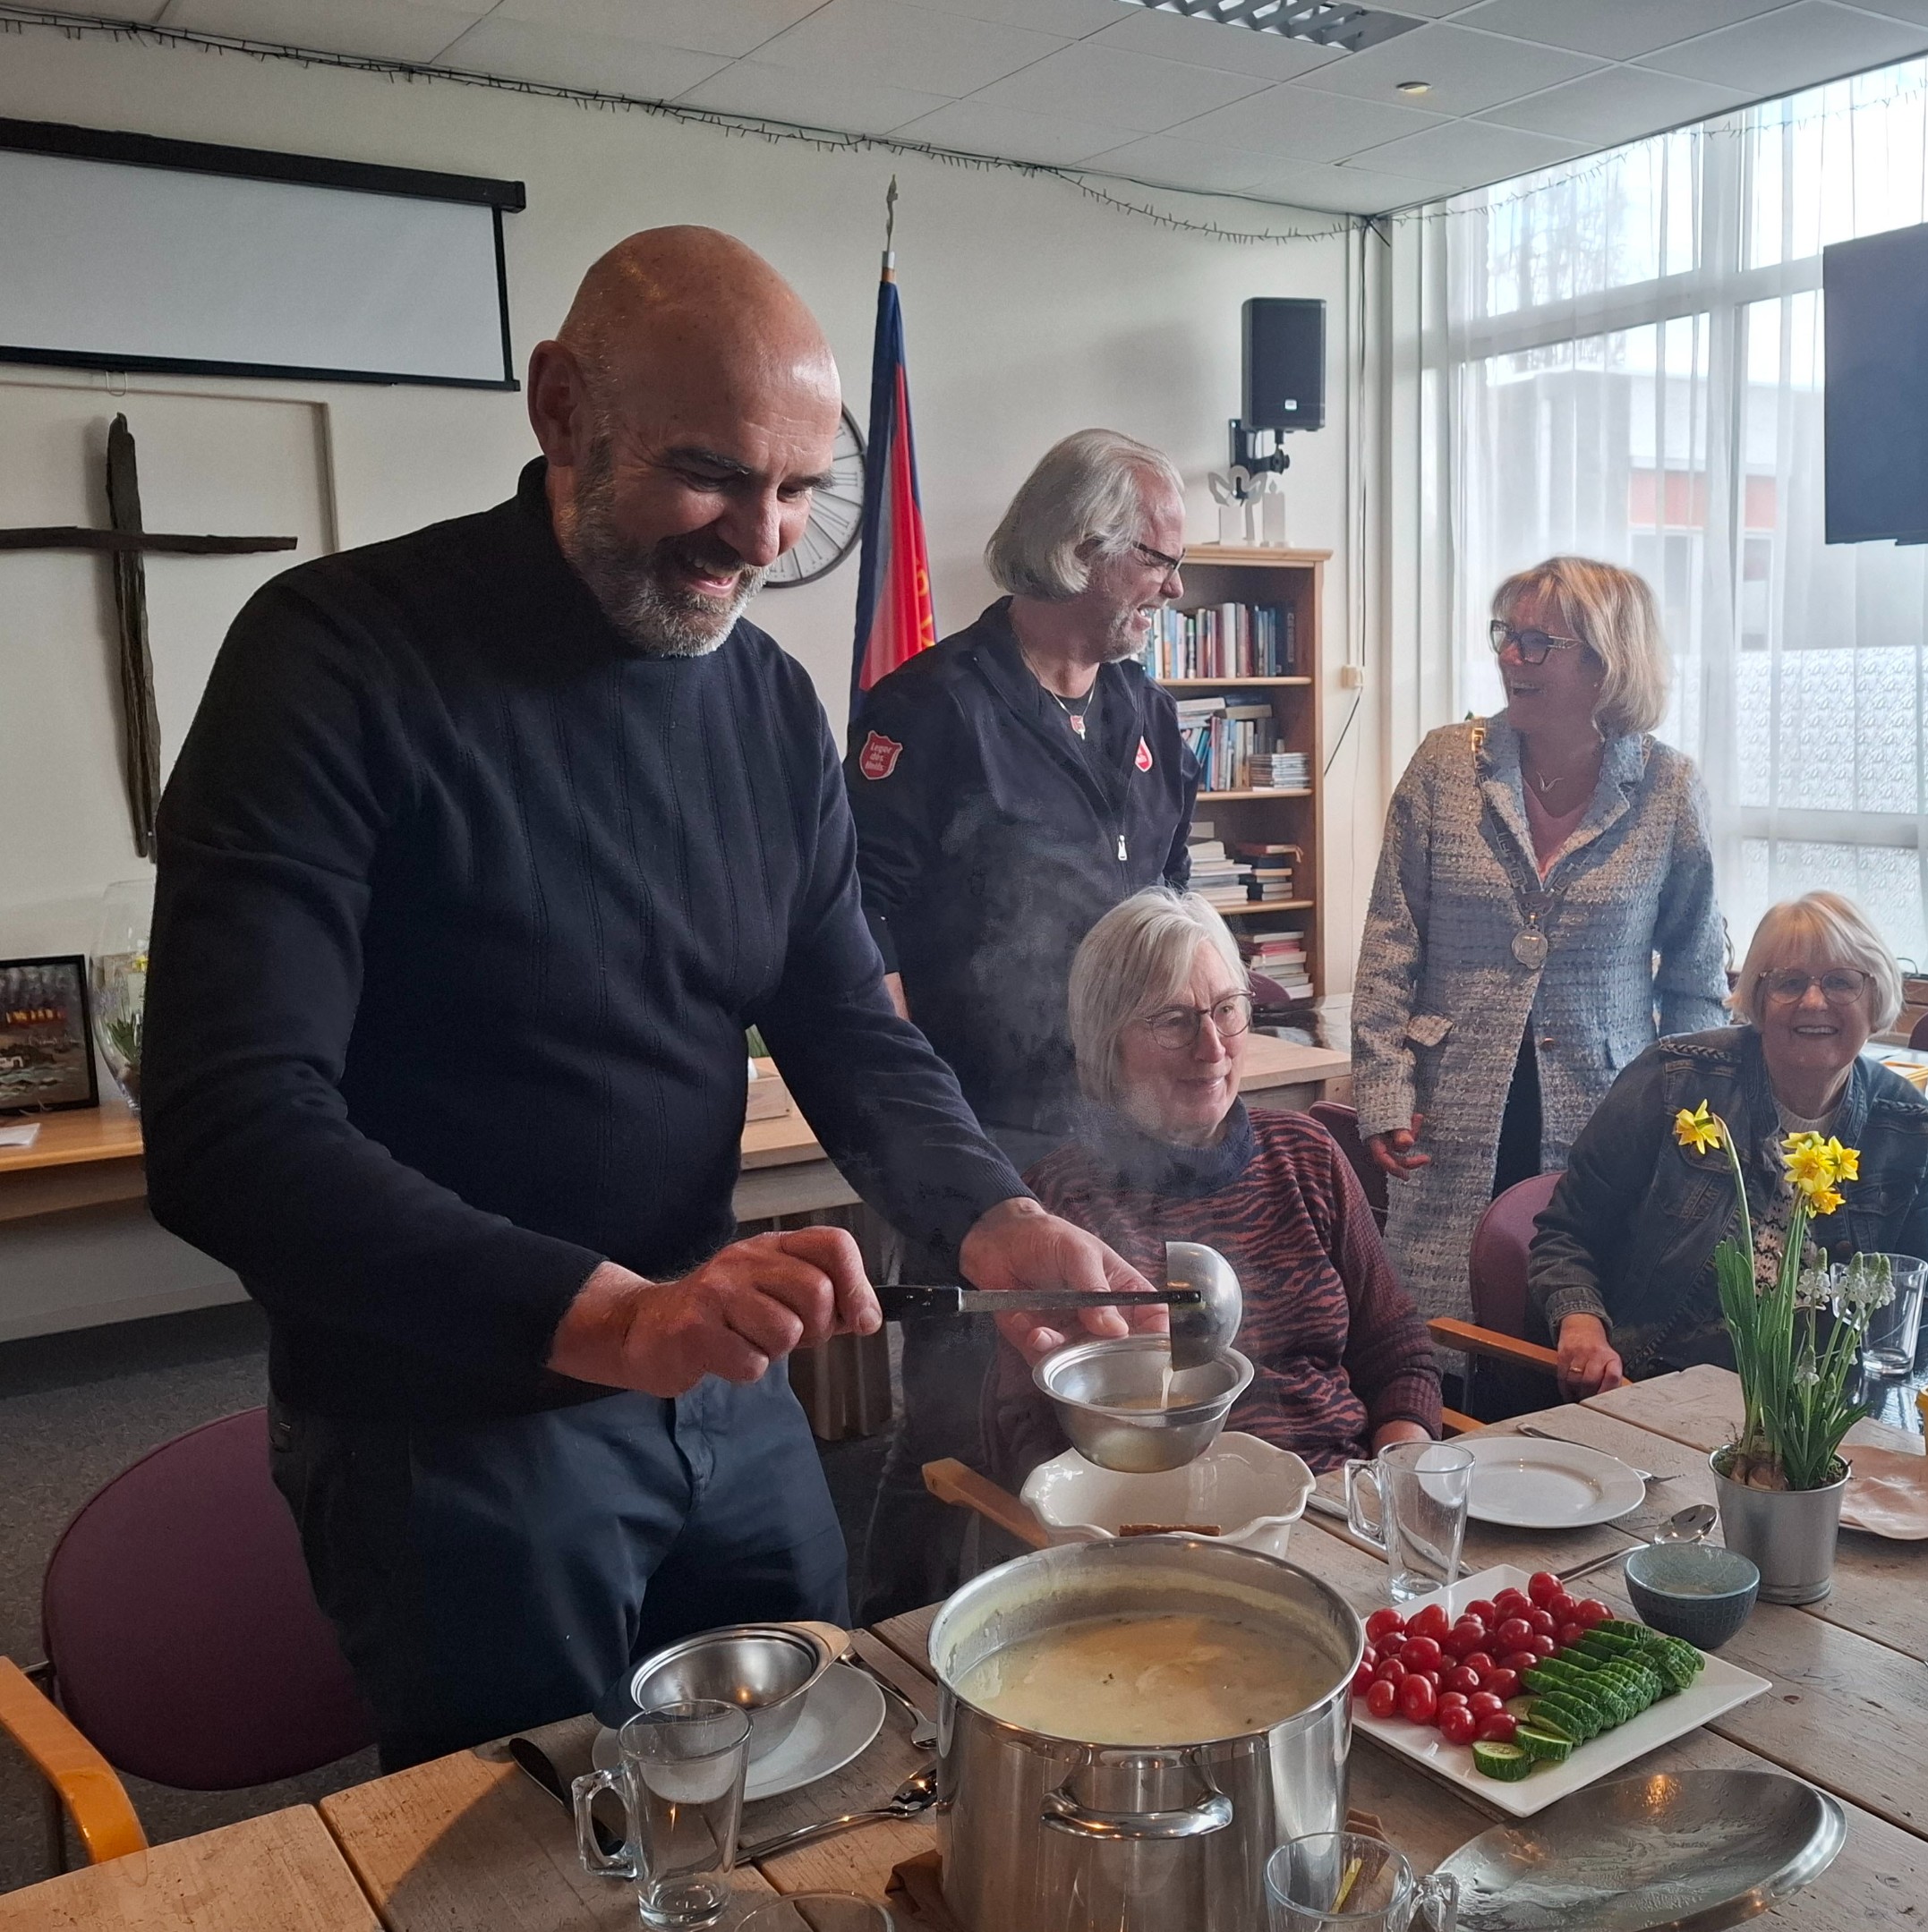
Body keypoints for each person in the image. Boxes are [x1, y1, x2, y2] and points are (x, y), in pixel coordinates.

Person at [141, 227, 1149, 1770]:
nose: (756, 538)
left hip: (719, 1392)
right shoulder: (335, 659)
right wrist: (609, 1311)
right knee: (544, 1848)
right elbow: (228, 1127)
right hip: (449, 1421)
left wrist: (988, 1214)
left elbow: (845, 1025)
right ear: (559, 408)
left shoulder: (760, 699)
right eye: (709, 474)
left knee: (815, 1776)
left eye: (800, 490)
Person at [843, 429, 1199, 1613]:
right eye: (1158, 558)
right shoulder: (930, 709)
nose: (1171, 588)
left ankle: (1076, 1616)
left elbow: (1172, 900)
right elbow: (859, 926)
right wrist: (918, 1116)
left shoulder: (1145, 708)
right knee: (957, 1412)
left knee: (1094, 1390)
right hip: (977, 1139)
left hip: (1115, 1129)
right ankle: (895, 1627)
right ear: (1084, 547)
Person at [1350, 557, 1727, 1326]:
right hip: (1447, 1105)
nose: (1509, 657)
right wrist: (1383, 1087)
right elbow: (1391, 941)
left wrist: (1684, 1121)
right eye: (1506, 635)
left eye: (1535, 642)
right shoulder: (1445, 766)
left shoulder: (1669, 789)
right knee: (1443, 1333)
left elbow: (1695, 976)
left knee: (1574, 1329)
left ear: (1605, 661)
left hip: (1605, 1107)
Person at [987, 890, 1442, 1487]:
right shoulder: (1059, 1205)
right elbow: (1023, 1426)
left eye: (1227, 1008)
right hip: (1158, 1525)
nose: (1212, 1048)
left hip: (1340, 1500)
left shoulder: (1305, 1156)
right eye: (1174, 1021)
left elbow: (1399, 1351)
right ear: (1106, 1039)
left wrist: (1397, 1485)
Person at [1530, 891, 1928, 1396]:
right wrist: (1581, 1324)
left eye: (1841, 982)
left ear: (1876, 997)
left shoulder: (1912, 1129)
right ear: (1756, 998)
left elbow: (1917, 1298)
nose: (1814, 1002)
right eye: (1789, 983)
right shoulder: (1674, 1079)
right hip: (1655, 1385)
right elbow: (1566, 1233)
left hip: (1815, 1414)